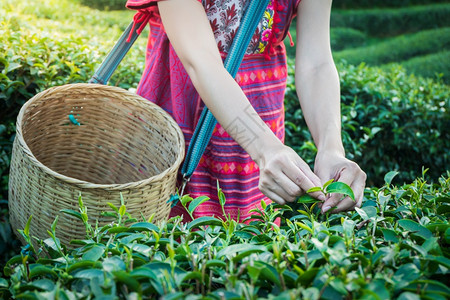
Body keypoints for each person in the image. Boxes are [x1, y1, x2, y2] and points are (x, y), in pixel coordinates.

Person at [125, 0, 366, 221]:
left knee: (248, 250)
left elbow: (317, 63)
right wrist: (266, 149)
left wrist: (331, 148)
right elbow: (200, 61)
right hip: (178, 131)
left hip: (260, 146)